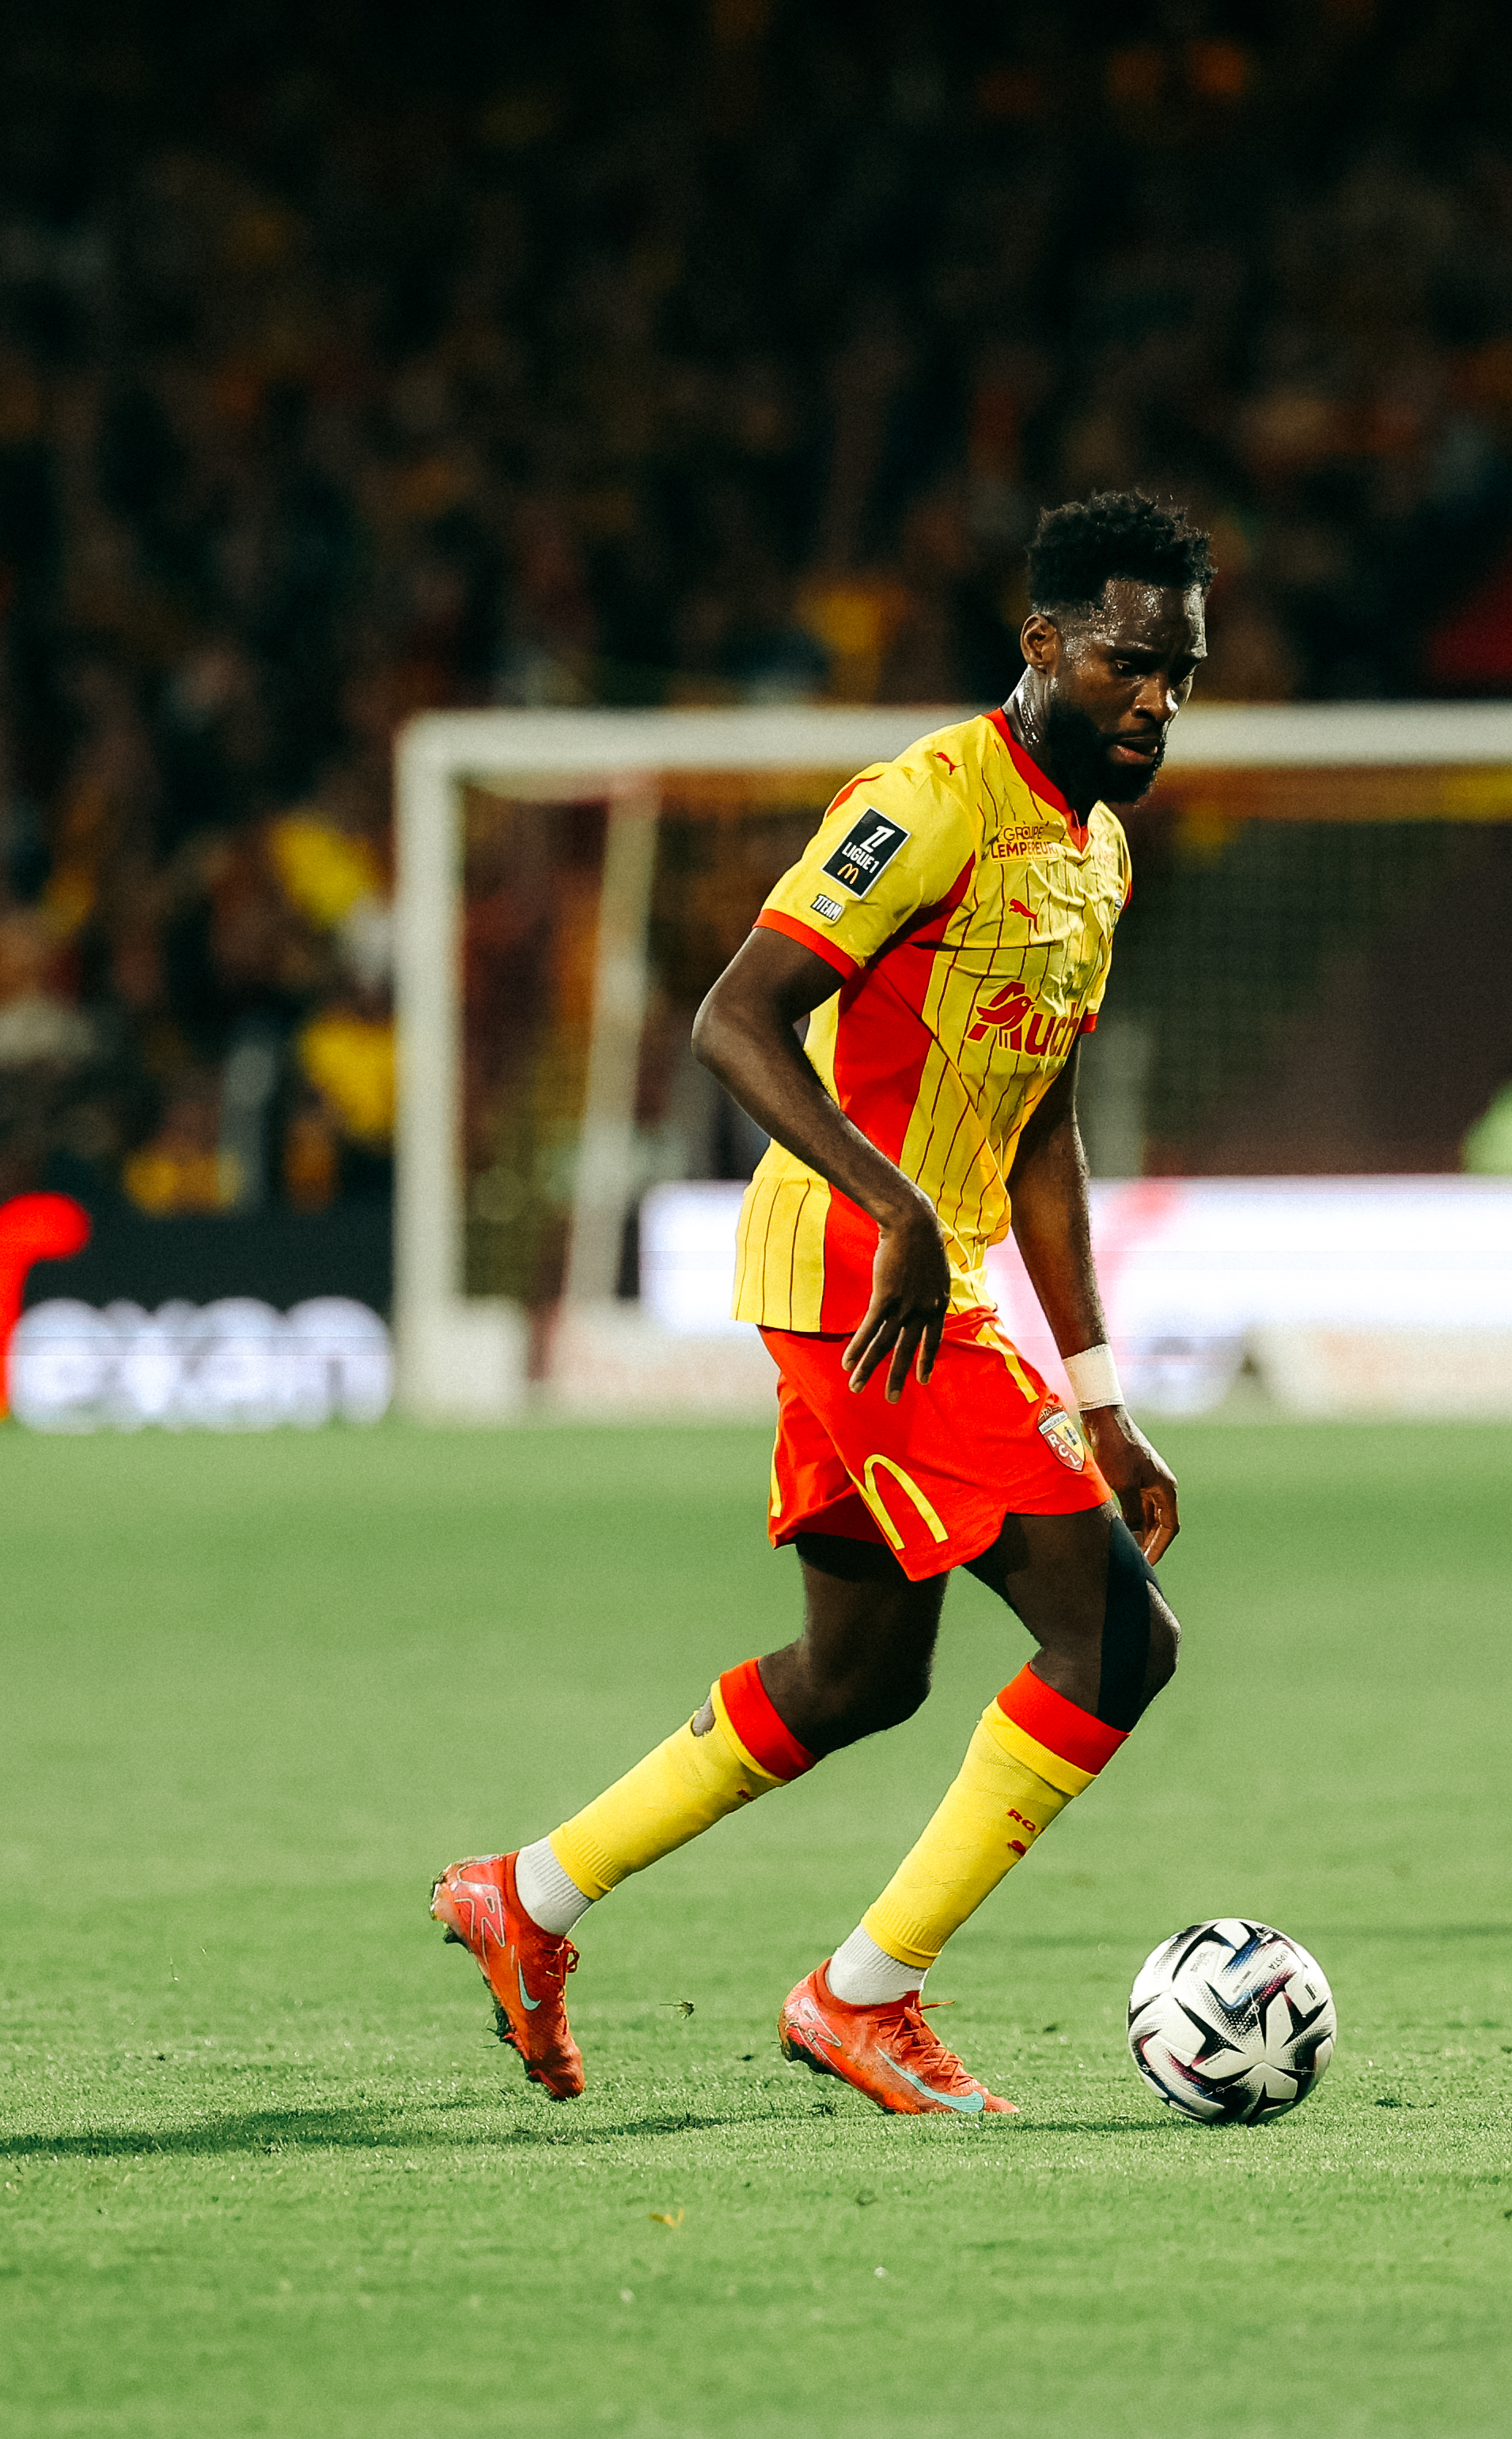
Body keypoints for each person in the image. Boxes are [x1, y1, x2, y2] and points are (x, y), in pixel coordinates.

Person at [430, 493, 1203, 2117]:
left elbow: (1042, 1124)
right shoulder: (925, 800)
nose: (1155, 701)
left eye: (1179, 674)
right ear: (1043, 642)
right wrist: (897, 1205)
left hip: (922, 1278)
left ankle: (528, 1894)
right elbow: (736, 1017)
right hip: (866, 1277)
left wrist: (1101, 1394)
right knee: (1119, 1638)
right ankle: (866, 1994)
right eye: (1128, 664)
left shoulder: (1099, 852)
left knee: (860, 1676)